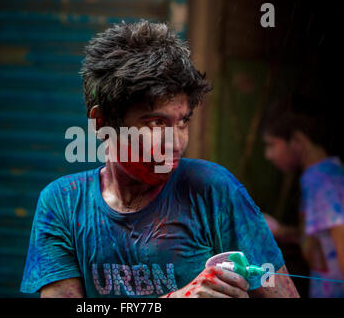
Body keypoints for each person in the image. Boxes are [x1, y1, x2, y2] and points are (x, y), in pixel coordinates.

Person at [20, 21, 299, 298]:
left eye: (183, 122)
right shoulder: (63, 204)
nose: (177, 143)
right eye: (156, 123)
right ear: (102, 122)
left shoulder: (215, 190)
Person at [262, 93, 344, 298]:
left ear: (297, 141)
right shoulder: (331, 171)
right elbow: (323, 241)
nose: (268, 155)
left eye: (272, 144)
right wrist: (280, 231)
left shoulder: (318, 181)